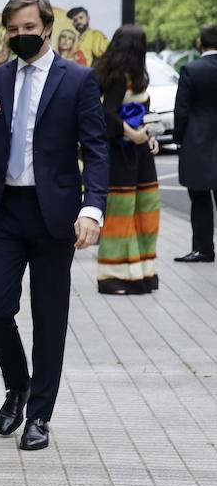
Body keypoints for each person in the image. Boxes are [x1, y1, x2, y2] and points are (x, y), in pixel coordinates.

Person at [0, 0, 108, 451]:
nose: (20, 36)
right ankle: (19, 384)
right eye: (12, 30)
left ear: (48, 28)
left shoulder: (77, 79)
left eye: (28, 29)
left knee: (50, 318)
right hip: (4, 213)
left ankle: (39, 416)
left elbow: (96, 149)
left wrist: (92, 208)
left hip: (55, 215)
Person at [94, 25, 161, 294]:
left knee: (144, 209)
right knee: (122, 213)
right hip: (120, 153)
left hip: (137, 152)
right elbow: (106, 113)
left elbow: (139, 113)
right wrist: (133, 134)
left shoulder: (131, 76)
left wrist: (148, 137)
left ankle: (141, 272)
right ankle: (112, 275)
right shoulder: (117, 77)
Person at [175, 24, 217, 263]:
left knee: (200, 199)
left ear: (200, 43)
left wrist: (179, 140)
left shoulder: (192, 69)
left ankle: (204, 249)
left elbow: (181, 110)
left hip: (198, 141)